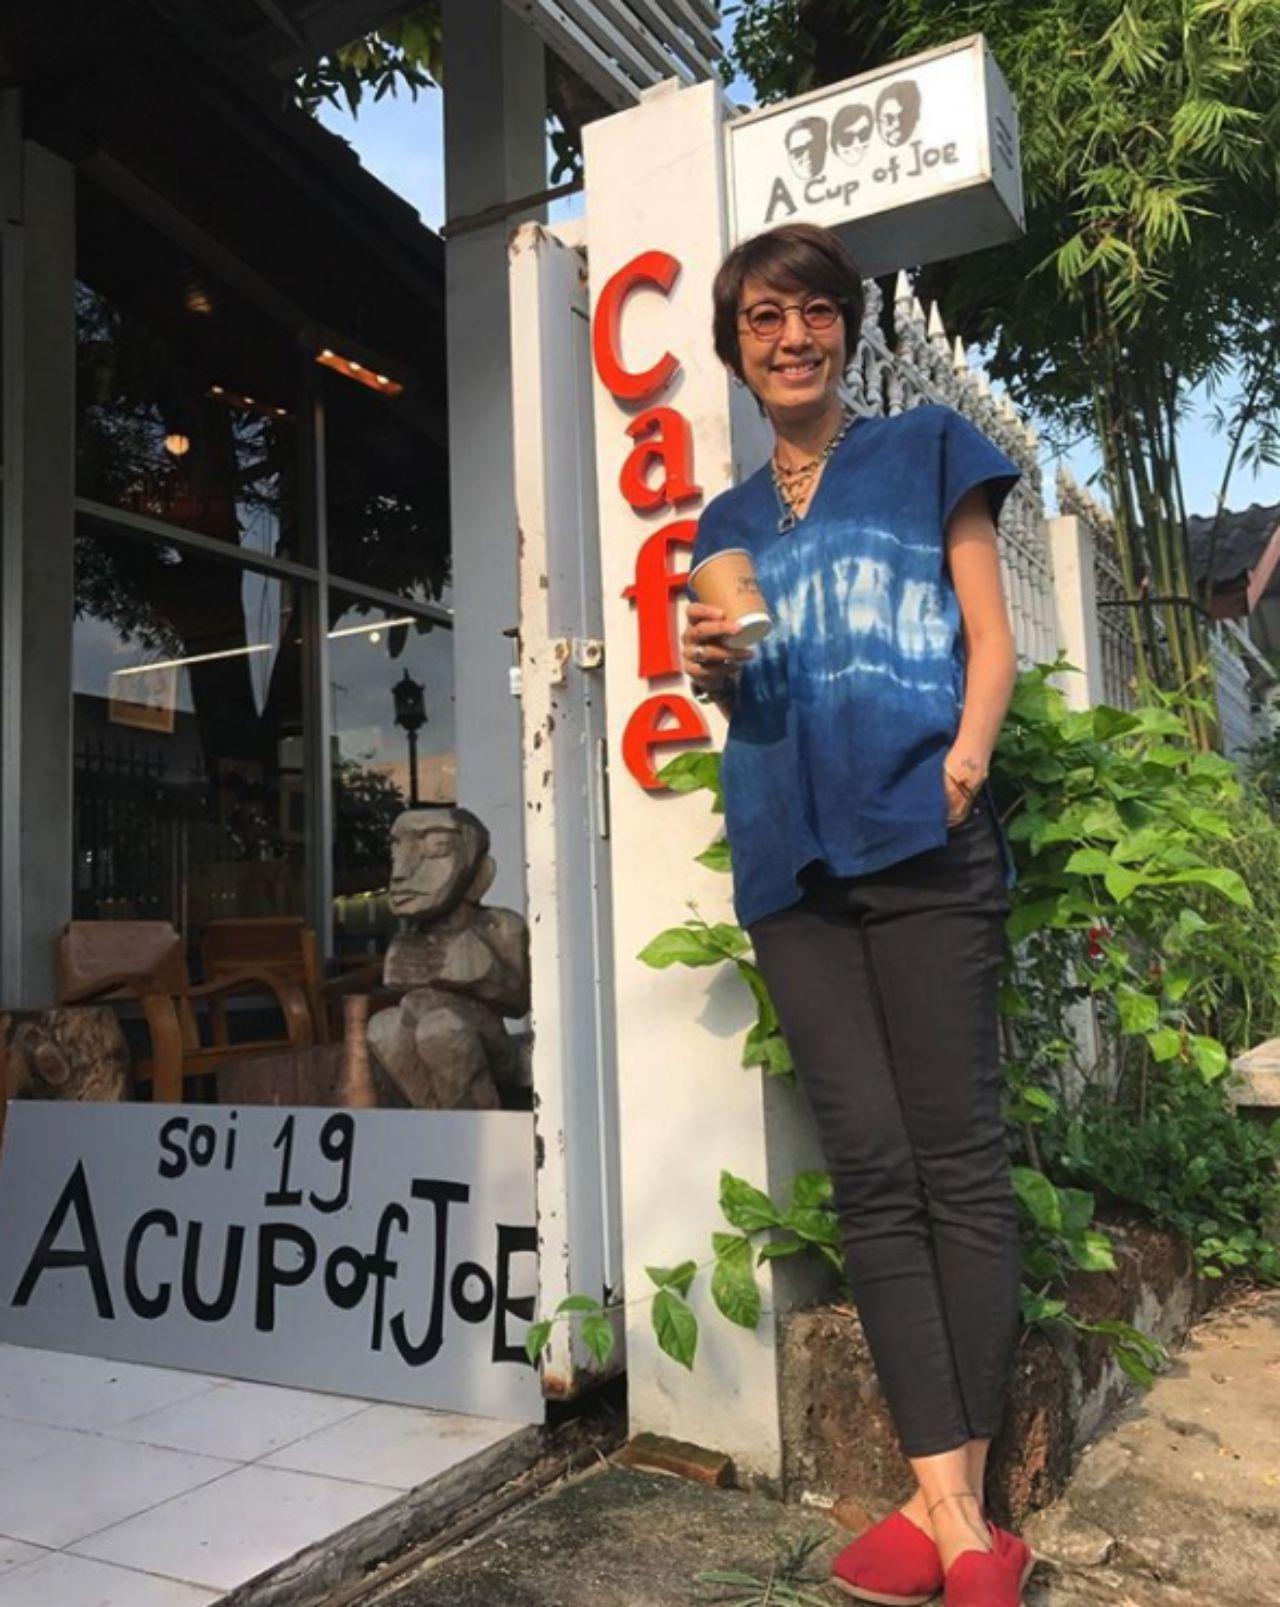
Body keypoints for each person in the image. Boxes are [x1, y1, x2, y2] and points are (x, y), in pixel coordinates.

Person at [682, 221, 1033, 1607]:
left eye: (814, 311)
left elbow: (989, 634)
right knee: (873, 1175)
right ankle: (958, 1521)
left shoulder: (925, 448)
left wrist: (966, 763)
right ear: (737, 350)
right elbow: (746, 693)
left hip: (923, 838)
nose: (792, 337)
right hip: (793, 864)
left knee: (960, 1165)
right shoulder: (722, 524)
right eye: (763, 320)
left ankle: (952, 1506)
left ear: (846, 328)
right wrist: (710, 670)